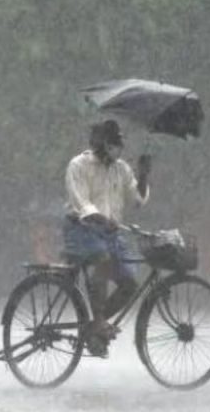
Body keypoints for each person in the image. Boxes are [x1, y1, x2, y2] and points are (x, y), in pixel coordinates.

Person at [62, 119, 150, 357]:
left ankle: (93, 328)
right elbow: (82, 204)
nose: (115, 151)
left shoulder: (121, 169)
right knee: (102, 259)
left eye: (117, 146)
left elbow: (138, 199)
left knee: (130, 285)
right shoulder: (78, 165)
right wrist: (101, 219)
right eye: (111, 145)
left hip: (110, 232)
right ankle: (99, 320)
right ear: (99, 144)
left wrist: (143, 175)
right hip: (81, 229)